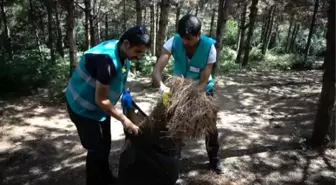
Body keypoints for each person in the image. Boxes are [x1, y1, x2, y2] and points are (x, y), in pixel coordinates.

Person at [65, 25, 151, 185]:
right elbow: (101, 100)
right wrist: (125, 120)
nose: (139, 56)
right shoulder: (107, 61)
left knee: (105, 145)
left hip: (99, 111)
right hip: (82, 108)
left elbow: (118, 77)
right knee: (96, 150)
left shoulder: (121, 51)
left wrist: (125, 93)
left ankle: (106, 178)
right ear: (126, 44)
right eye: (138, 52)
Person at [152, 14, 224, 174]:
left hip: (203, 91)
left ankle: (214, 160)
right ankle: (173, 160)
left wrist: (189, 99)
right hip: (178, 91)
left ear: (198, 34)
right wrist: (162, 87)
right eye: (182, 38)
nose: (185, 42)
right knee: (173, 125)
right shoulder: (173, 42)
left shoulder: (210, 48)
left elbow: (204, 81)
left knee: (210, 127)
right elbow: (157, 71)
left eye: (189, 39)